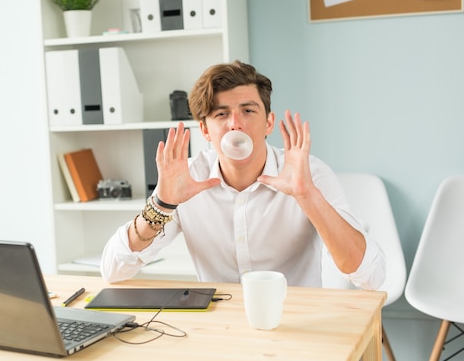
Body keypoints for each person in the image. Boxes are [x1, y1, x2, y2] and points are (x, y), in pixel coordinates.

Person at [100, 60, 385, 289]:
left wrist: (307, 195)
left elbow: (371, 276)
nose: (235, 124)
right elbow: (113, 270)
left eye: (248, 110)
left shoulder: (308, 174)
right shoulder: (187, 179)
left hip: (297, 326)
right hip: (222, 331)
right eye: (221, 114)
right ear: (205, 130)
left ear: (268, 123)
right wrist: (161, 205)